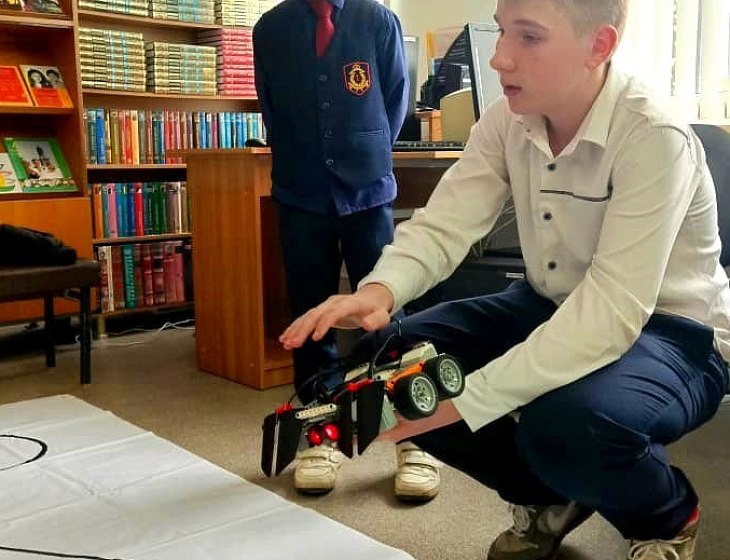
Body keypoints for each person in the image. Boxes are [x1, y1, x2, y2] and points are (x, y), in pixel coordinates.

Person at [280, 0, 730, 558]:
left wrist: (470, 401)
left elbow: (610, 313)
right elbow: (446, 223)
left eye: (528, 37)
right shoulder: (507, 120)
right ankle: (548, 497)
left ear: (599, 46)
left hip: (672, 332)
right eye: (501, 33)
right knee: (391, 362)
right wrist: (379, 290)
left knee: (565, 425)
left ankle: (667, 518)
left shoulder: (652, 135)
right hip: (550, 302)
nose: (499, 58)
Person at [253, 0, 443, 501]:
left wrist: (365, 153)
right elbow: (271, 108)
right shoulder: (271, 28)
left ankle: (414, 435)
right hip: (300, 193)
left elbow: (395, 102)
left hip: (367, 192)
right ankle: (320, 432)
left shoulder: (377, 20)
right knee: (310, 314)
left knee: (387, 313)